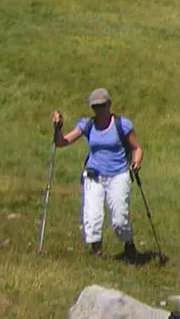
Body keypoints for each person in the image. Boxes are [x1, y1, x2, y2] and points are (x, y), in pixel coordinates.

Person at [52, 88, 144, 259]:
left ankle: (128, 244)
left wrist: (136, 162)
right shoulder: (87, 125)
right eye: (95, 107)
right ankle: (97, 254)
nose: (99, 110)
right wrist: (58, 127)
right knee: (92, 217)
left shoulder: (122, 125)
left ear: (109, 104)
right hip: (94, 175)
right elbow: (61, 142)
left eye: (102, 106)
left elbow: (136, 147)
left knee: (119, 218)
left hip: (118, 175)